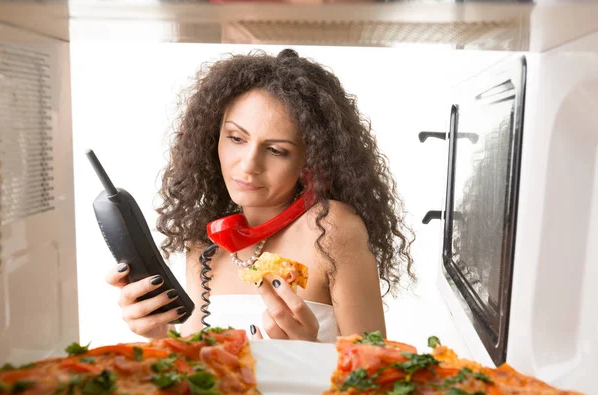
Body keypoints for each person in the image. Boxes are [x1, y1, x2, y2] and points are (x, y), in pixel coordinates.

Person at [105, 48, 414, 343]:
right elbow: (198, 369)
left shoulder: (331, 228)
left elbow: (374, 375)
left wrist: (307, 352)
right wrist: (160, 334)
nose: (249, 165)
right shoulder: (203, 246)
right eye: (236, 138)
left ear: (310, 161)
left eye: (276, 150)